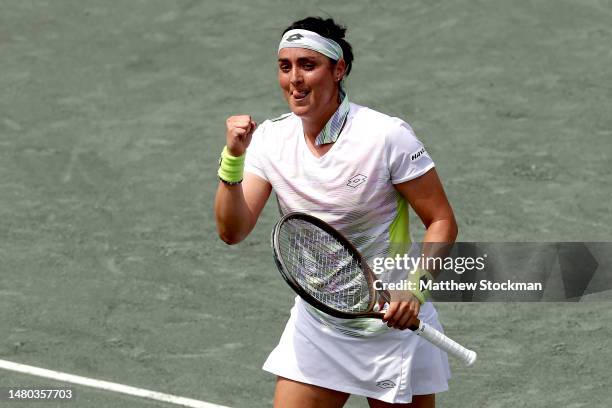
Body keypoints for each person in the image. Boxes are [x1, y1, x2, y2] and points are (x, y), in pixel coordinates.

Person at [215, 16, 457, 408]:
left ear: (338, 69)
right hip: (319, 325)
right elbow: (232, 230)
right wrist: (233, 159)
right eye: (285, 66)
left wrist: (415, 289)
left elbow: (442, 221)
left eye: (308, 65)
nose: (294, 78)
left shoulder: (385, 136)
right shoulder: (271, 141)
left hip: (391, 327)